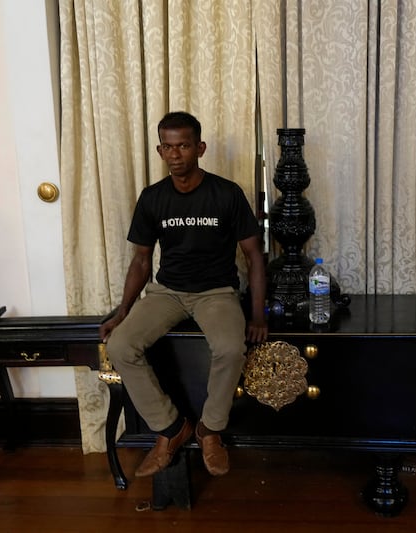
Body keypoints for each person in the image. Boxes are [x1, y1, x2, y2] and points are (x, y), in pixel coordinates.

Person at [99, 111, 268, 478]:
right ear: (160, 150)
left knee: (230, 349)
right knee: (120, 346)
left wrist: (258, 315)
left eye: (184, 146)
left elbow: (254, 255)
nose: (175, 154)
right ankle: (172, 428)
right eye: (168, 147)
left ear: (200, 148)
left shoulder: (226, 193)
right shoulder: (152, 198)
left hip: (216, 292)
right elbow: (141, 261)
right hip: (168, 292)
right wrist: (123, 311)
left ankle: (210, 430)